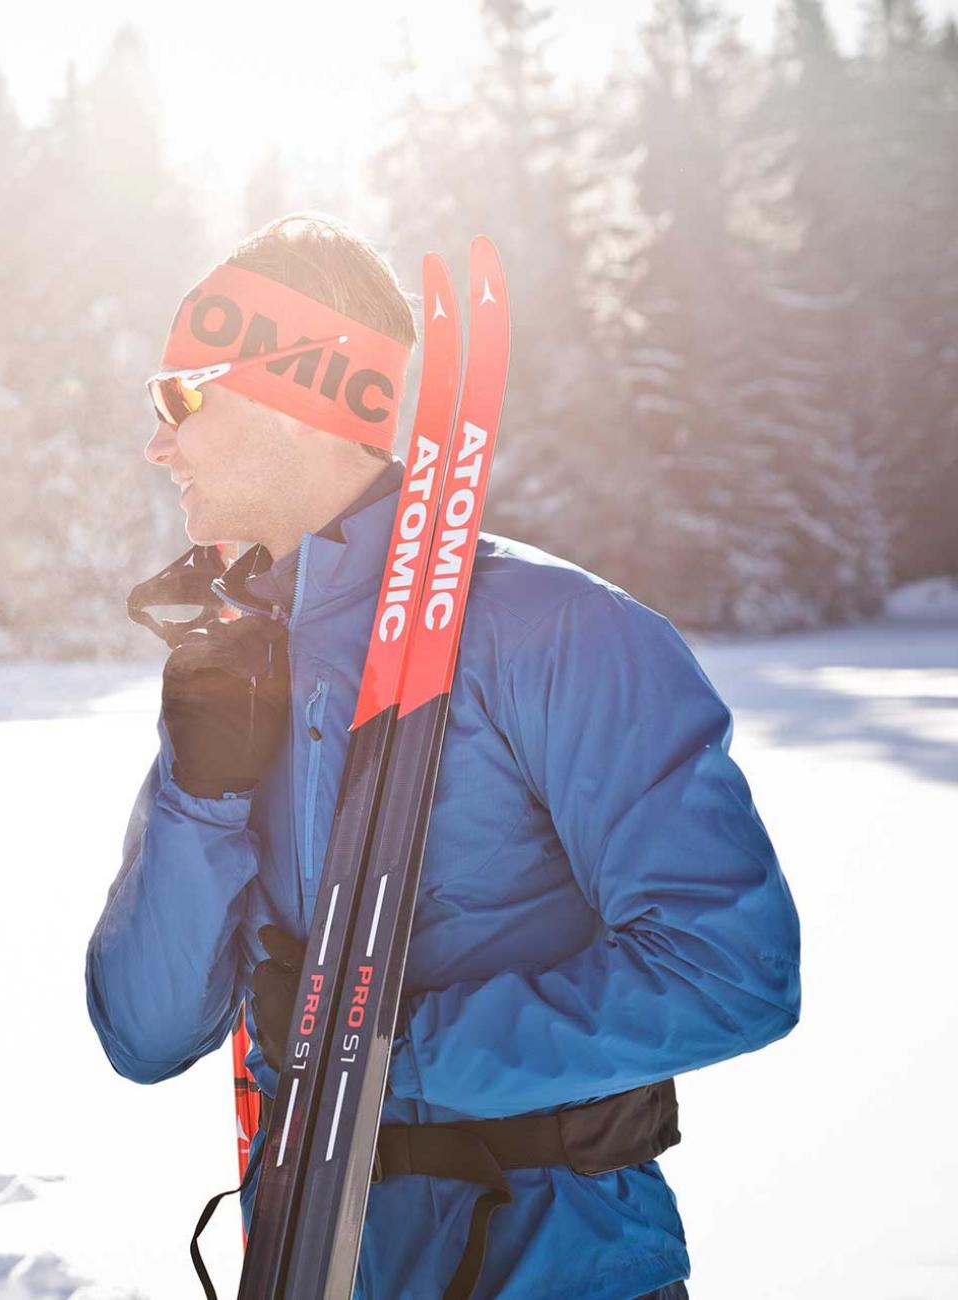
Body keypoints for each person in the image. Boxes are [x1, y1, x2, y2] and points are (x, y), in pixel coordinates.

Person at [85, 214, 800, 1300]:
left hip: (555, 1264)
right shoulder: (235, 668)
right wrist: (201, 793)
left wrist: (392, 1055)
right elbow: (143, 1032)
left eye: (183, 397)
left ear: (300, 392)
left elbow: (731, 968)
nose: (158, 442)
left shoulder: (558, 634)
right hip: (310, 1260)